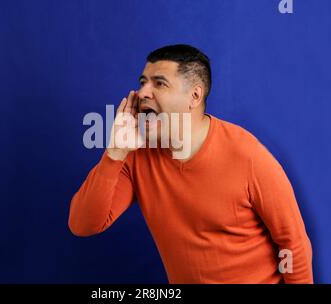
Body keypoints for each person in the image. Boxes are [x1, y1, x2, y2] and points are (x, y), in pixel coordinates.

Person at [68, 44, 313, 283]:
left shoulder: (249, 157)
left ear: (194, 96)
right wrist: (115, 153)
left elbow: (293, 244)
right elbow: (83, 224)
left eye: (159, 83)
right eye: (143, 82)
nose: (142, 93)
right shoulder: (136, 155)